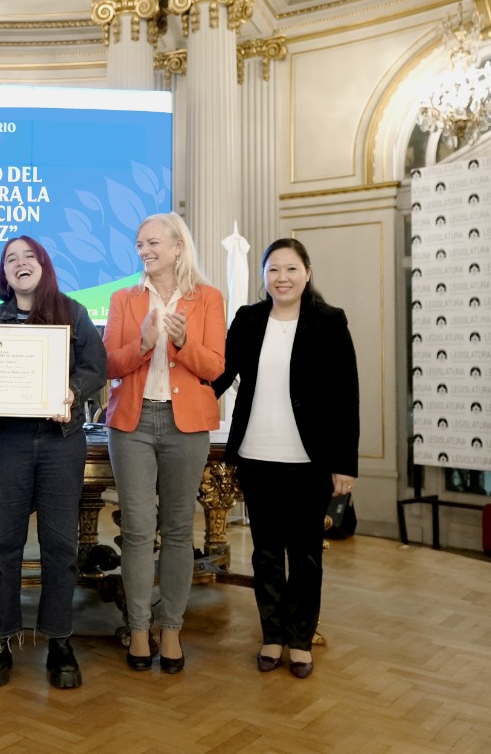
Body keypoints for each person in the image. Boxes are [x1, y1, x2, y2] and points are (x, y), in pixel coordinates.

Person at [212, 238, 359, 680]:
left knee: (307, 554)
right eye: (274, 270)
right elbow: (219, 375)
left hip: (309, 461)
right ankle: (271, 635)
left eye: (291, 269)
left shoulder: (330, 321)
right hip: (257, 455)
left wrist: (345, 463)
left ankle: (300, 639)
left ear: (307, 272)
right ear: (264, 276)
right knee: (266, 555)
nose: (282, 278)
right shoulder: (249, 318)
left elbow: (345, 396)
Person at [0, 236, 107, 689]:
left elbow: (96, 367)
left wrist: (71, 390)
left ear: (44, 264)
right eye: (10, 259)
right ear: (3, 274)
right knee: (3, 547)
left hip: (59, 442)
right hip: (7, 442)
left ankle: (59, 638)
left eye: (28, 256)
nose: (20, 264)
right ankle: (0, 638)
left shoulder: (73, 311)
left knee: (59, 548)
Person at [103, 213, 225, 674]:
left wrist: (181, 341)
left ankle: (170, 627)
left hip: (186, 426)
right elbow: (110, 364)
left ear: (178, 246)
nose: (145, 250)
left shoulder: (208, 299)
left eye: (153, 242)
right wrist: (143, 343)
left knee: (177, 530)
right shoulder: (124, 299)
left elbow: (214, 367)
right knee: (136, 529)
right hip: (132, 424)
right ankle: (138, 628)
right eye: (139, 244)